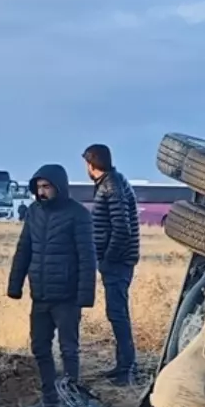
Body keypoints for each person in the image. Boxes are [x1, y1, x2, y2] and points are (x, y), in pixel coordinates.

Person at [7, 164, 96, 407]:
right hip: (40, 295)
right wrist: (15, 284)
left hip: (67, 297)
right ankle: (50, 400)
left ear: (59, 186)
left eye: (46, 187)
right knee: (40, 347)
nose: (41, 192)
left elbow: (87, 257)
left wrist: (85, 295)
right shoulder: (34, 212)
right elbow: (24, 249)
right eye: (38, 187)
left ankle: (71, 404)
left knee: (69, 350)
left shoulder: (78, 214)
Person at [82, 142, 140, 384]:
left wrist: (107, 259)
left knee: (117, 314)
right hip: (117, 261)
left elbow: (122, 228)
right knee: (117, 313)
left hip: (118, 262)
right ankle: (123, 365)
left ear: (91, 164)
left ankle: (127, 369)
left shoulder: (111, 186)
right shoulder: (111, 182)